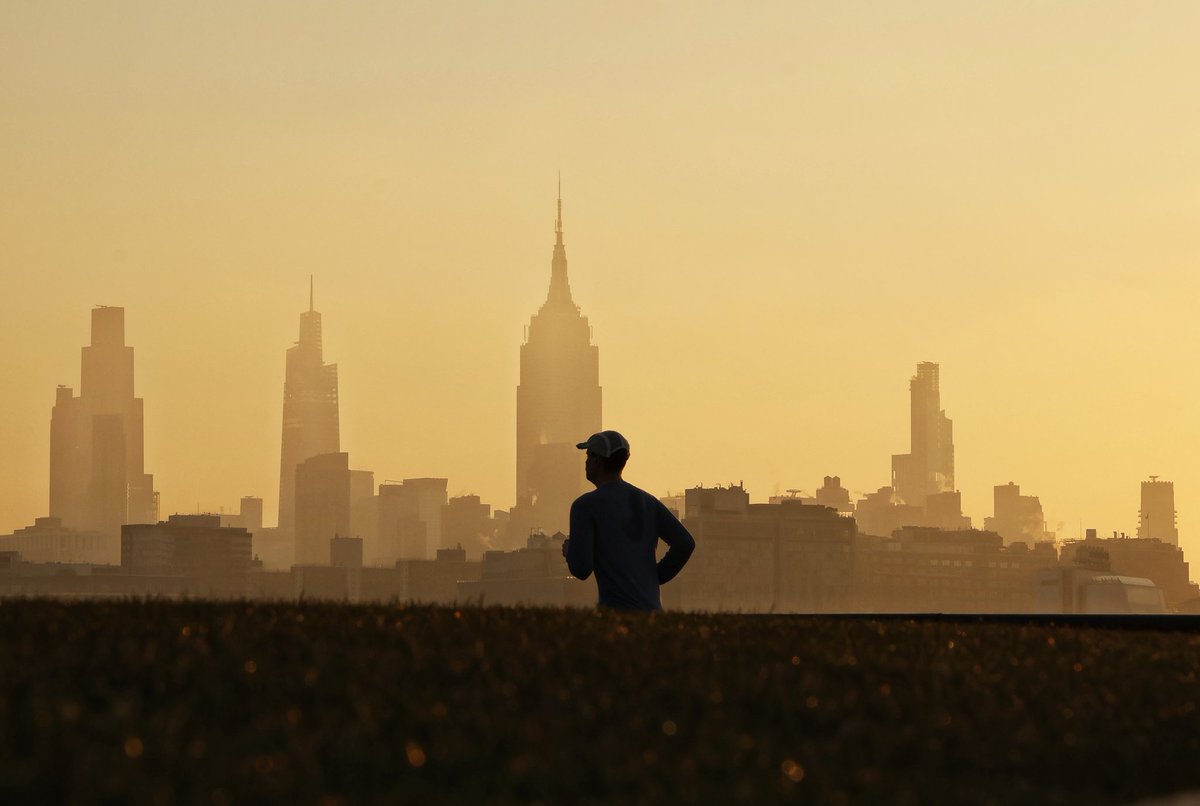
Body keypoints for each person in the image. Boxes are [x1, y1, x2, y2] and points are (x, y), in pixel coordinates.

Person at [562, 430, 695, 611]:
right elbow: (685, 543)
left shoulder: (585, 506)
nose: (585, 462)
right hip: (653, 614)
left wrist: (569, 550)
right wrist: (656, 576)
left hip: (616, 616)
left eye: (588, 455)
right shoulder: (648, 502)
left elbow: (581, 569)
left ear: (597, 460)